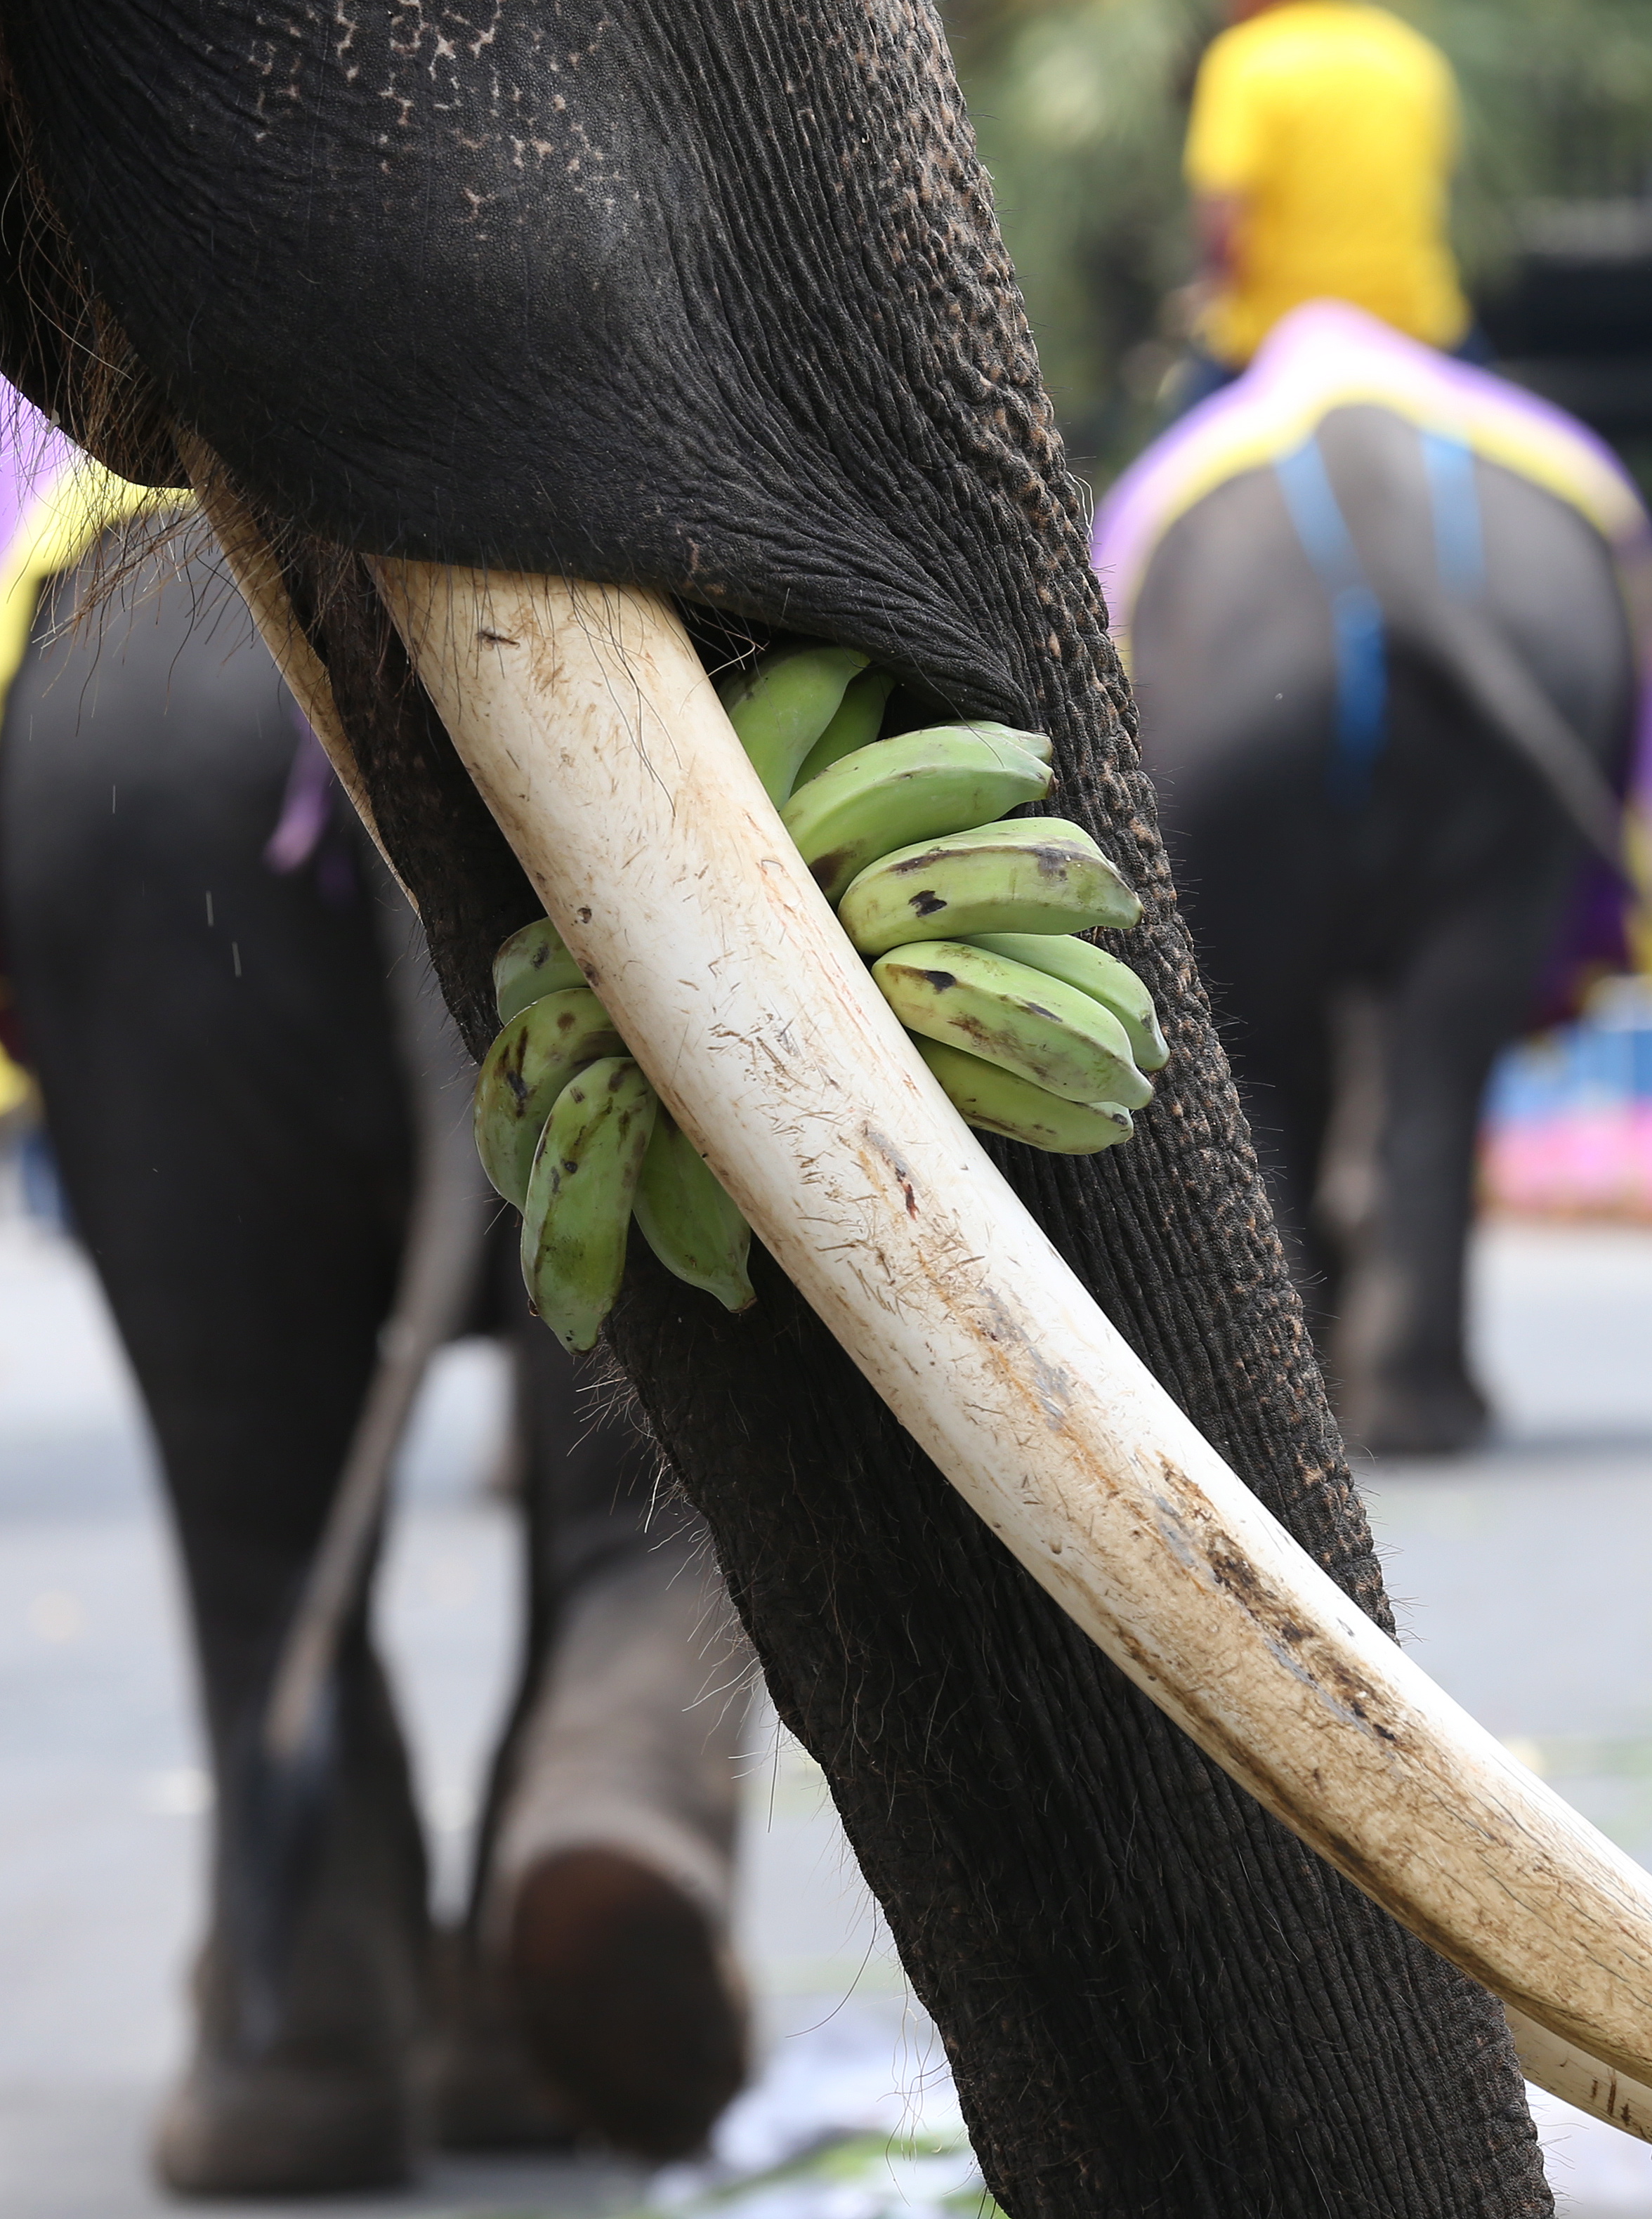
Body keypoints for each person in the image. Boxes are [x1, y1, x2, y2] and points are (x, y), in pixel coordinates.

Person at [1172, 0, 1476, 413]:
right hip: (1415, 328)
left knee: (1171, 465)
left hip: (1273, 336)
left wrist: (1210, 288)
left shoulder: (1246, 60)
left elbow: (1225, 218)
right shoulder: (1410, 56)